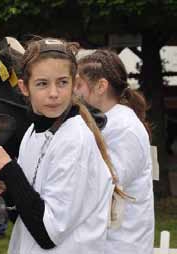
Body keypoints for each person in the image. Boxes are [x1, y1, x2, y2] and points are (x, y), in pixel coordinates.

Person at [0, 38, 116, 253]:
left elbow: (48, 232)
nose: (54, 93)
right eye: (42, 83)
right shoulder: (33, 132)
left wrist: (9, 171)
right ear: (24, 87)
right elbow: (29, 209)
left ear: (74, 84)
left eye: (62, 82)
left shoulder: (75, 139)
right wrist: (7, 189)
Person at [74, 49, 154, 254]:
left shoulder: (125, 128)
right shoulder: (107, 122)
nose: (72, 92)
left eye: (78, 85)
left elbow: (104, 187)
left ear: (101, 86)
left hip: (120, 246)